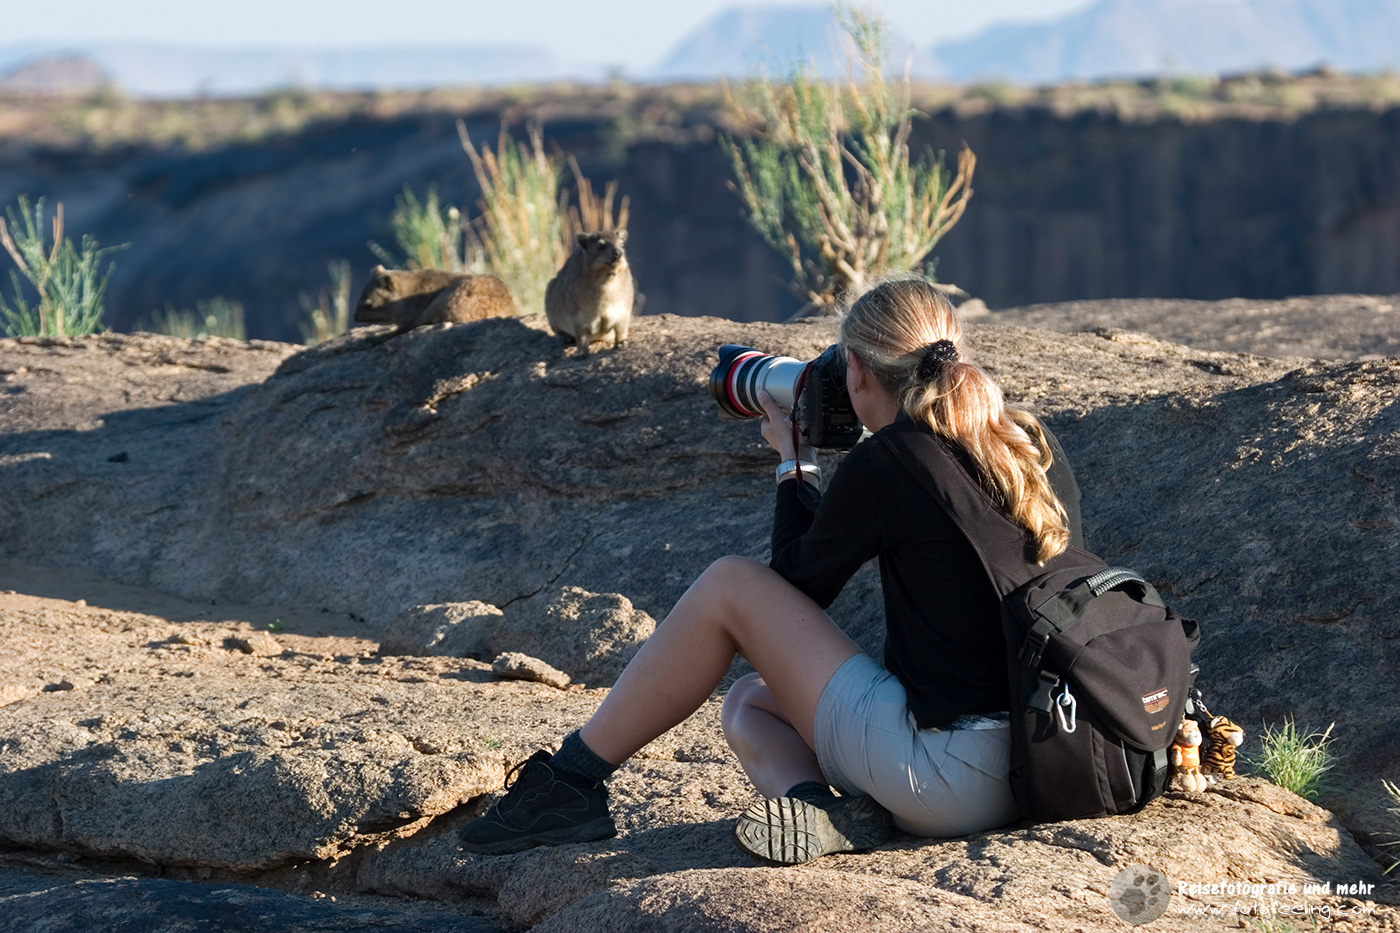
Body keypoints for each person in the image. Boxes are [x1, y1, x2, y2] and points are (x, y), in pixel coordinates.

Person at [457, 277, 1083, 863]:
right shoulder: (1023, 443)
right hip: (1045, 757)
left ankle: (567, 783)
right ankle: (822, 812)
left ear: (857, 370)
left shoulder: (893, 461)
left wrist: (795, 461)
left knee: (729, 584)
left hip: (950, 781)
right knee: (753, 703)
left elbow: (792, 585)